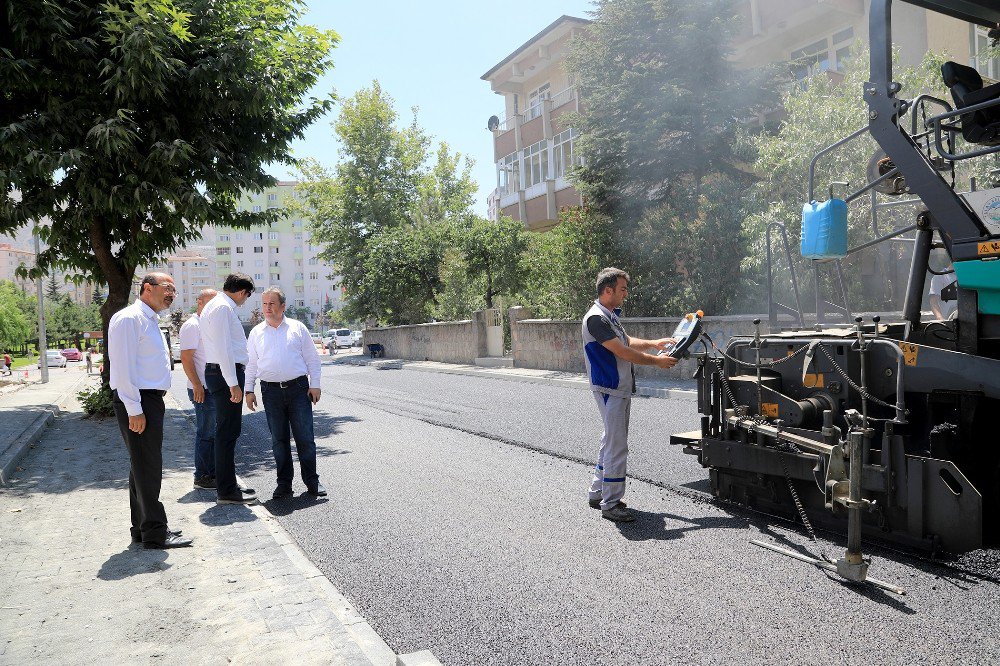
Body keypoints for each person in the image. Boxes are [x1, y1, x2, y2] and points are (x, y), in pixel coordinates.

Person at [583, 267, 679, 523]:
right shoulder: (596, 319)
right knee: (617, 446)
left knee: (609, 441)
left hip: (615, 389)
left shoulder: (608, 316)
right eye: (622, 289)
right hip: (610, 389)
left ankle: (598, 492)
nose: (626, 294)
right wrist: (656, 362)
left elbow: (626, 340)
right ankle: (611, 503)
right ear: (608, 291)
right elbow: (622, 352)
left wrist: (653, 343)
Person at [108, 273, 192, 548]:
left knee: (141, 466)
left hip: (149, 399)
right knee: (149, 466)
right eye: (168, 288)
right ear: (147, 288)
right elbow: (122, 369)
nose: (172, 294)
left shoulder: (148, 320)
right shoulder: (129, 319)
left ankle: (143, 529)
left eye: (174, 290)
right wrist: (134, 409)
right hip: (139, 400)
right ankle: (155, 532)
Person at [245, 287, 326, 500]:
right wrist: (249, 390)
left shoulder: (298, 328)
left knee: (305, 438)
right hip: (270, 392)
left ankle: (312, 481)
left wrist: (315, 384)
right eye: (264, 304)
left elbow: (312, 359)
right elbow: (252, 364)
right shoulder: (256, 333)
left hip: (298, 390)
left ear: (283, 306)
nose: (267, 308)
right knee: (279, 441)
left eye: (272, 303)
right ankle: (284, 484)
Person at [200, 273, 257, 504]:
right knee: (227, 433)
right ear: (243, 292)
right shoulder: (223, 308)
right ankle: (226, 491)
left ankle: (229, 486)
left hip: (220, 373)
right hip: (226, 374)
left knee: (226, 432)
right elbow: (224, 349)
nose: (245, 301)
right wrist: (233, 382)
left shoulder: (215, 305)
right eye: (247, 296)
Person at [179, 288, 218, 489]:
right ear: (199, 302)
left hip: (212, 388)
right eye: (209, 302)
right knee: (206, 433)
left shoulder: (208, 324)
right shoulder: (192, 325)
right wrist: (197, 385)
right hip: (201, 387)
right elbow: (186, 358)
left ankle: (212, 473)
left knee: (214, 433)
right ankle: (202, 476)